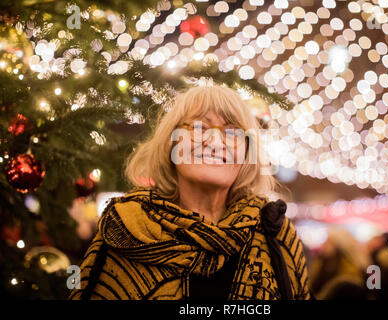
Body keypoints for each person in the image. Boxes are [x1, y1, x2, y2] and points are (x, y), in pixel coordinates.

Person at [68, 84, 311, 300]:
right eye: (198, 127)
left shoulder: (276, 234)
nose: (215, 141)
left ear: (246, 153)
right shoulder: (126, 228)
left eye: (232, 132)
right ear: (171, 143)